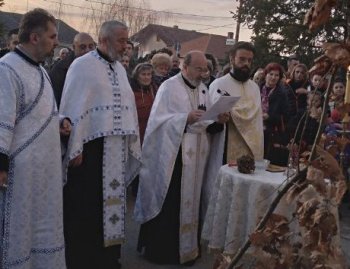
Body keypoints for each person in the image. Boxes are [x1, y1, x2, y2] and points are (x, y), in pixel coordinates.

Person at [59, 20, 141, 269]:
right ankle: (83, 260)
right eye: (121, 40)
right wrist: (75, 146)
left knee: (112, 207)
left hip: (115, 150)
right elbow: (73, 107)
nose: (126, 46)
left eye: (127, 40)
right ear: (104, 40)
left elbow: (127, 108)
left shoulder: (119, 69)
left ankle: (108, 259)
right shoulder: (82, 66)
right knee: (86, 209)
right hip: (89, 152)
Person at [135, 51, 228, 265]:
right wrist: (184, 118)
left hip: (197, 157)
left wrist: (218, 120)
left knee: (192, 202)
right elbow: (157, 122)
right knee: (172, 203)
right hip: (174, 158)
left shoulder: (204, 89)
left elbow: (207, 123)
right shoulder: (169, 87)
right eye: (199, 69)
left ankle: (188, 250)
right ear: (184, 67)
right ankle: (163, 251)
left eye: (205, 69)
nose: (203, 73)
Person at [0, 8, 66, 268]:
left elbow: (40, 114)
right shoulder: (7, 69)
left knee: (42, 228)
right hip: (20, 173)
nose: (56, 42)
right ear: (35, 37)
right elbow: (2, 117)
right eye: (52, 36)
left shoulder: (40, 70)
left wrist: (62, 122)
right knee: (17, 232)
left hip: (44, 172)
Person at [208, 41, 264, 164]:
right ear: (232, 59)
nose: (246, 64)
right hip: (226, 145)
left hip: (250, 148)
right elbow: (210, 120)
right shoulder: (219, 84)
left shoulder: (254, 87)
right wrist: (220, 117)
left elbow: (257, 121)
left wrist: (233, 111)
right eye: (242, 59)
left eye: (249, 60)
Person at [49, 32, 95, 107]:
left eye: (91, 46)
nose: (87, 50)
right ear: (74, 47)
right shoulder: (60, 70)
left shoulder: (99, 67)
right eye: (82, 47)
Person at [260, 63, 289, 165]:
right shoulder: (257, 88)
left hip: (271, 132)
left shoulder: (282, 94)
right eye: (271, 74)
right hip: (256, 129)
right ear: (266, 74)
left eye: (276, 75)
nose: (273, 77)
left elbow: (286, 116)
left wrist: (269, 117)